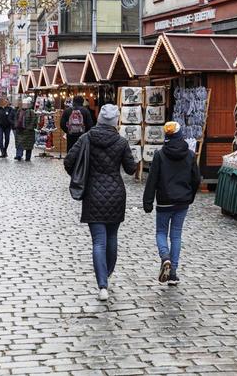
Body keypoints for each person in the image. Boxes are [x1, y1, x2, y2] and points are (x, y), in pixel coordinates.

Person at [64, 104, 137, 301]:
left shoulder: (86, 138)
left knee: (98, 242)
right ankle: (107, 273)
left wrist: (82, 175)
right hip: (115, 193)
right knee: (112, 238)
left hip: (93, 194)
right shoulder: (121, 142)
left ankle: (102, 285)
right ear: (115, 121)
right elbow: (130, 169)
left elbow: (68, 161)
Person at [143, 122, 201, 286]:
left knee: (161, 232)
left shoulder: (160, 155)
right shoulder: (190, 155)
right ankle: (173, 272)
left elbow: (152, 180)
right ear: (180, 135)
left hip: (164, 201)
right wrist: (190, 195)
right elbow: (196, 178)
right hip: (182, 201)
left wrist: (147, 201)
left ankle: (165, 257)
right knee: (176, 235)